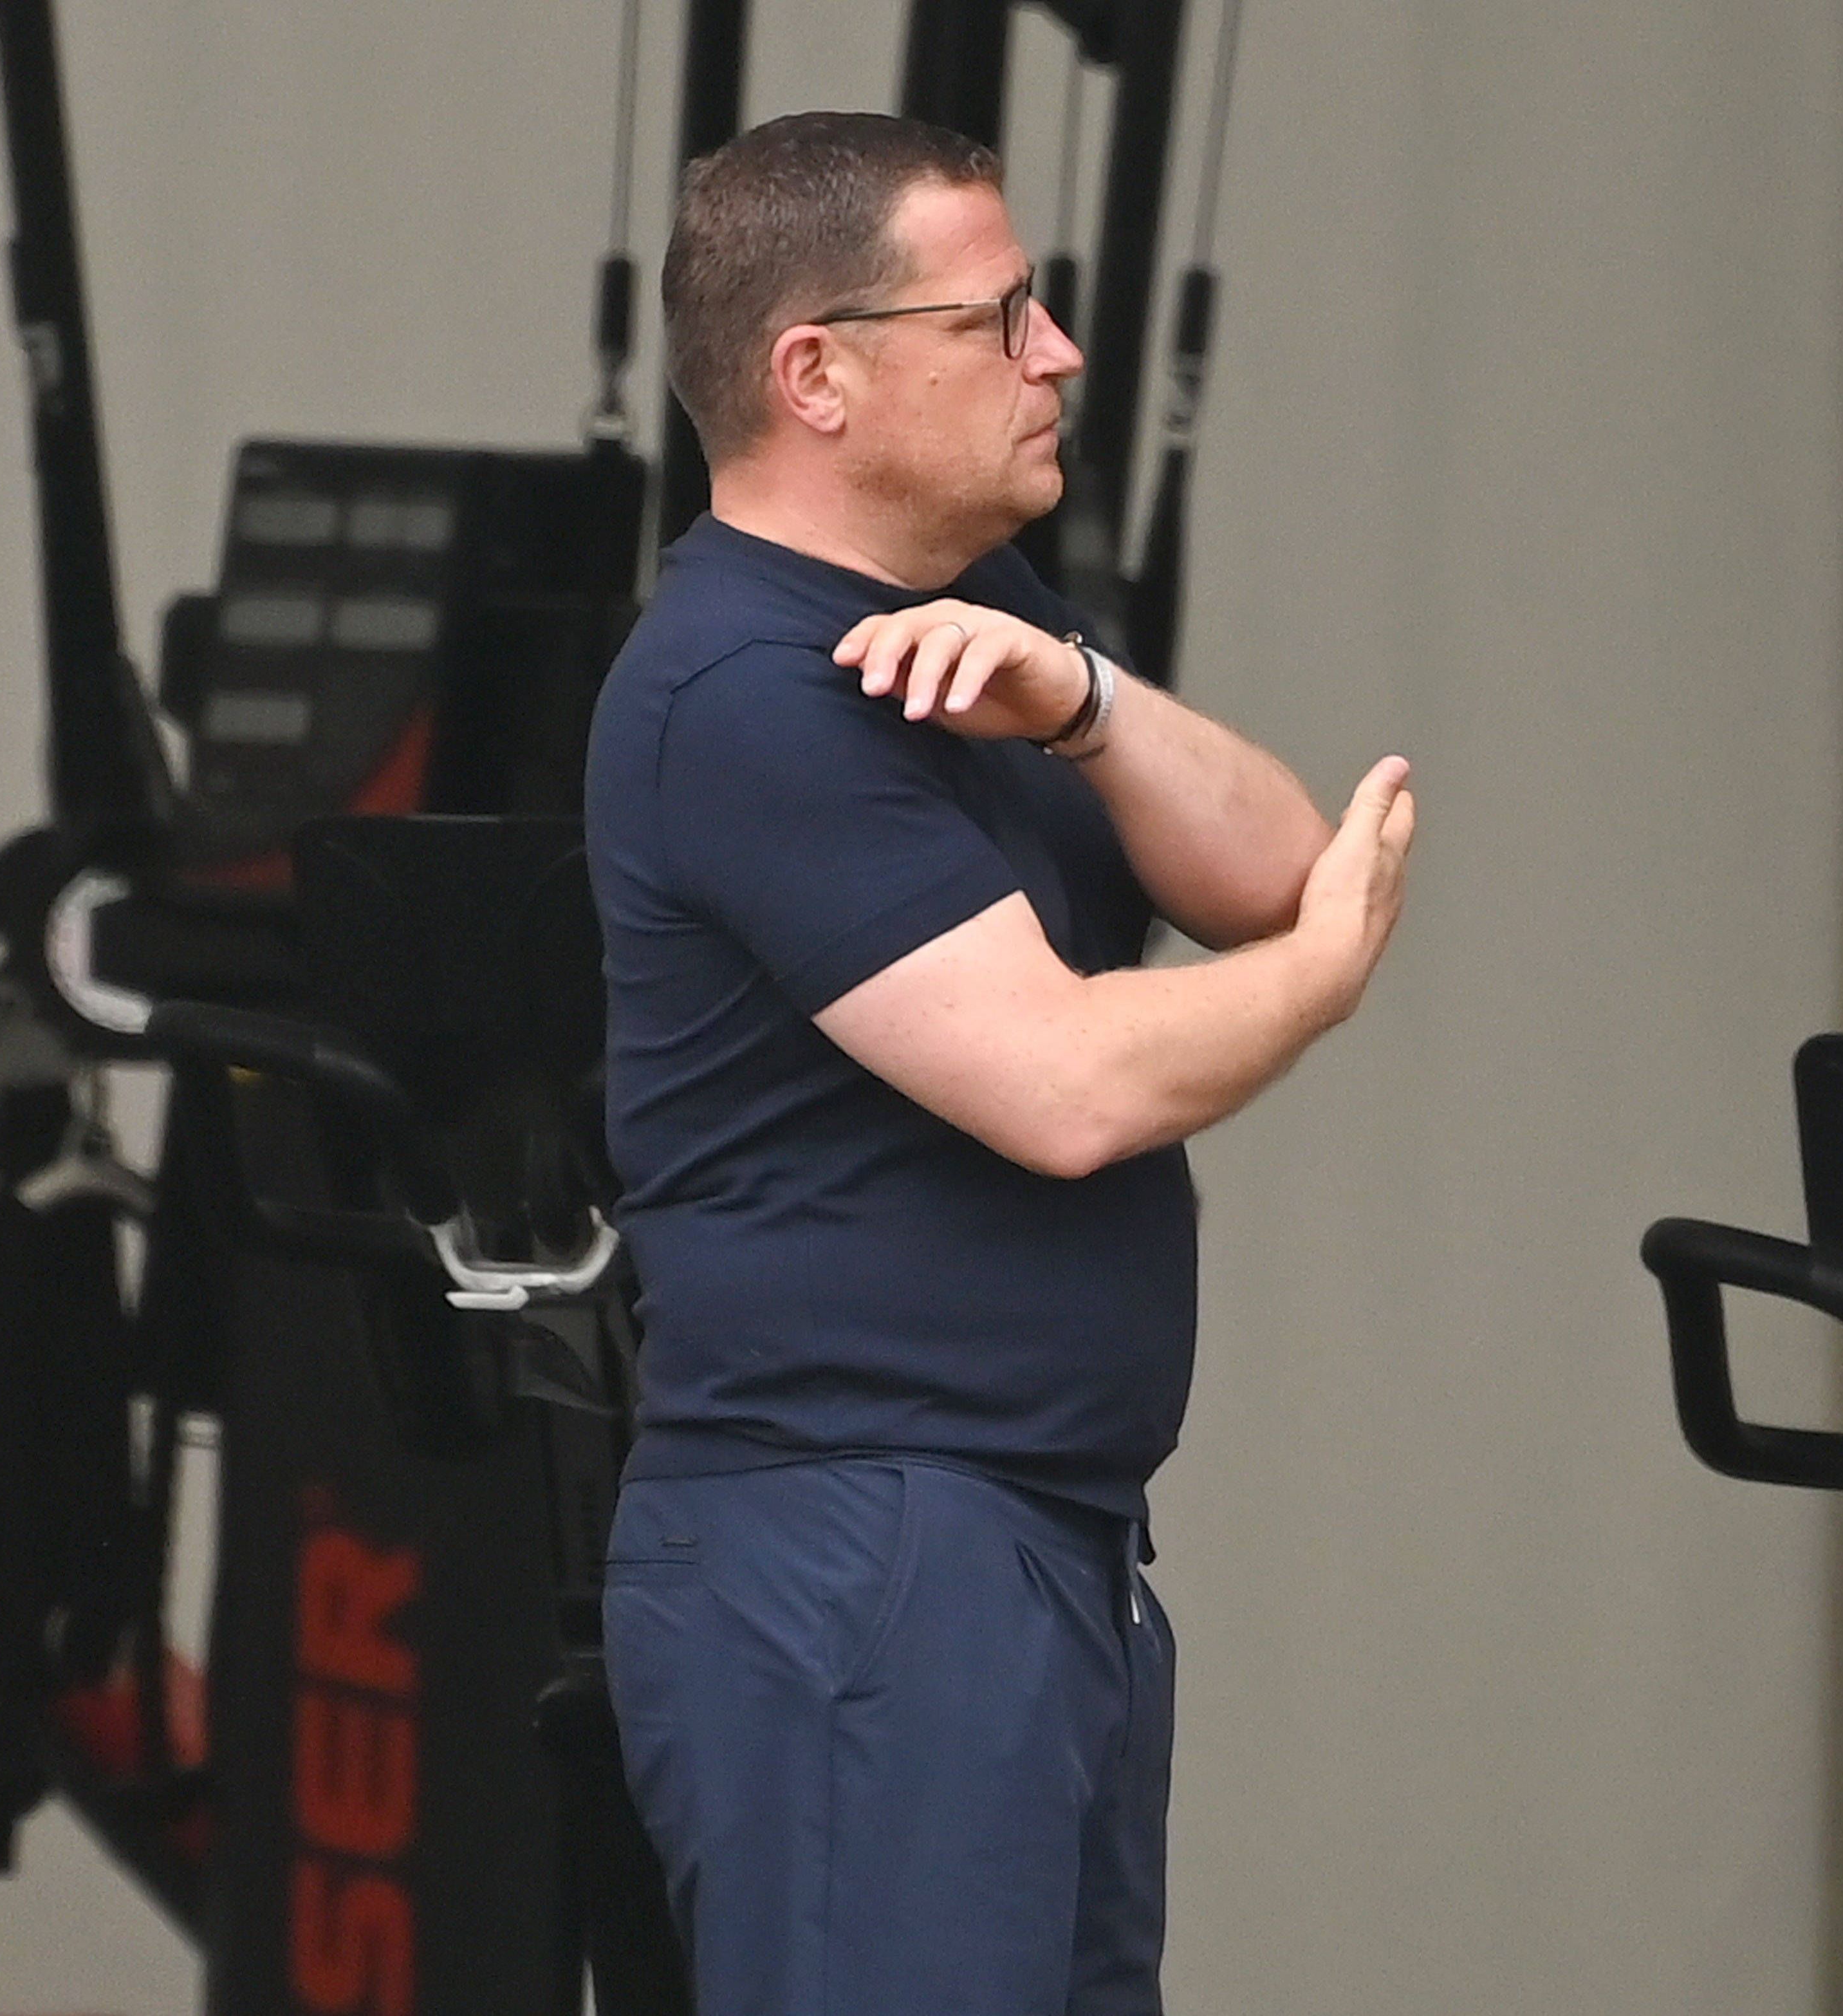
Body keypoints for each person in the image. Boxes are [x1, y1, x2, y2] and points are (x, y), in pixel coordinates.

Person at [583, 110, 1414, 2016]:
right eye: (1005, 314)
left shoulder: (963, 631)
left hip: (1023, 1539)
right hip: (870, 1545)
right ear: (821, 376)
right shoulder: (744, 691)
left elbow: (1273, 857)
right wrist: (1325, 973)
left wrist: (1093, 703)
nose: (1059, 355)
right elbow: (1073, 1084)